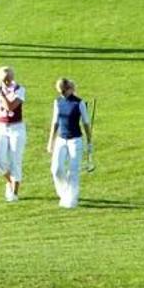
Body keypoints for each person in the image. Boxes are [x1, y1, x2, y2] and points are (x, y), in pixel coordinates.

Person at [47, 77, 93, 209]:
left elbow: (86, 123)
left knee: (73, 170)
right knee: (56, 169)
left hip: (75, 140)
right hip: (61, 139)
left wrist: (89, 142)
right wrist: (51, 141)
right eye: (59, 91)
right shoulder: (57, 102)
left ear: (69, 89)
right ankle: (63, 193)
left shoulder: (79, 103)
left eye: (63, 91)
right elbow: (55, 122)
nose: (61, 93)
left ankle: (71, 199)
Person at [0, 66, 26, 202]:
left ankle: (15, 192)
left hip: (16, 128)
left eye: (8, 80)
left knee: (15, 159)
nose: (6, 83)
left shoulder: (19, 89)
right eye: (4, 80)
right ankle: (9, 181)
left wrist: (2, 95)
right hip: (2, 127)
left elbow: (11, 106)